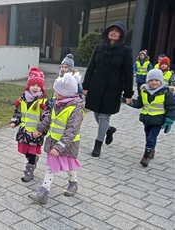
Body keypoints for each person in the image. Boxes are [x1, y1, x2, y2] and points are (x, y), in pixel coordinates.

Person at [28, 73, 84, 205]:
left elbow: (71, 131)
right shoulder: (58, 103)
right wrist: (39, 129)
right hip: (54, 141)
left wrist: (59, 146)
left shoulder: (76, 109)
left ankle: (72, 183)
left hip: (67, 144)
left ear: (65, 93)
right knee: (51, 166)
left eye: (57, 91)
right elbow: (49, 118)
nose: (54, 93)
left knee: (69, 164)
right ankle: (44, 192)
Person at [82, 21, 134, 157]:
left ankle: (98, 144)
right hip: (96, 86)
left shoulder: (126, 51)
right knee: (96, 113)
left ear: (121, 34)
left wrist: (128, 93)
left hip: (113, 89)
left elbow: (128, 73)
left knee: (104, 116)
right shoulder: (99, 48)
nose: (114, 32)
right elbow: (91, 67)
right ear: (107, 32)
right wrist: (85, 86)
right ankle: (109, 130)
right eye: (112, 30)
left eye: (117, 30)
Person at [123, 69, 175, 167]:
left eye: (156, 80)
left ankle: (146, 156)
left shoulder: (166, 93)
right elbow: (140, 103)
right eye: (151, 80)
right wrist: (130, 102)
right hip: (146, 119)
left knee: (151, 138)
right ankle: (152, 150)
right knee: (148, 136)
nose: (154, 82)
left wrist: (169, 120)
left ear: (161, 81)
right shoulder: (144, 91)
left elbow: (171, 107)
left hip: (158, 120)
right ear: (148, 81)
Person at [10, 67, 47, 182]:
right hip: (24, 131)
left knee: (31, 151)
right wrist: (14, 121)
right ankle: (33, 159)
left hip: (35, 132)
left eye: (38, 85)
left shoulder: (43, 102)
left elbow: (47, 118)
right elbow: (18, 112)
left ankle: (29, 171)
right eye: (33, 85)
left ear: (41, 87)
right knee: (24, 150)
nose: (35, 87)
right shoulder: (22, 99)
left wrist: (41, 131)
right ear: (28, 86)